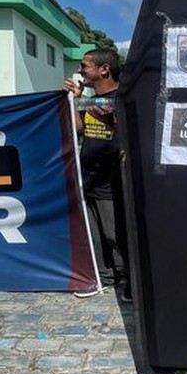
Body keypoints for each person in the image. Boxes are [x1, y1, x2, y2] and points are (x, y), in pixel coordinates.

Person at [61, 49, 131, 302]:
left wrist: (112, 120)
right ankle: (102, 277)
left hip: (112, 179)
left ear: (104, 69)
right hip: (88, 176)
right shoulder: (87, 100)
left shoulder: (125, 97)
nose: (80, 70)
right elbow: (80, 130)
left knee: (115, 234)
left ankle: (130, 280)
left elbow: (130, 137)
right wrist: (74, 100)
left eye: (85, 66)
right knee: (93, 235)